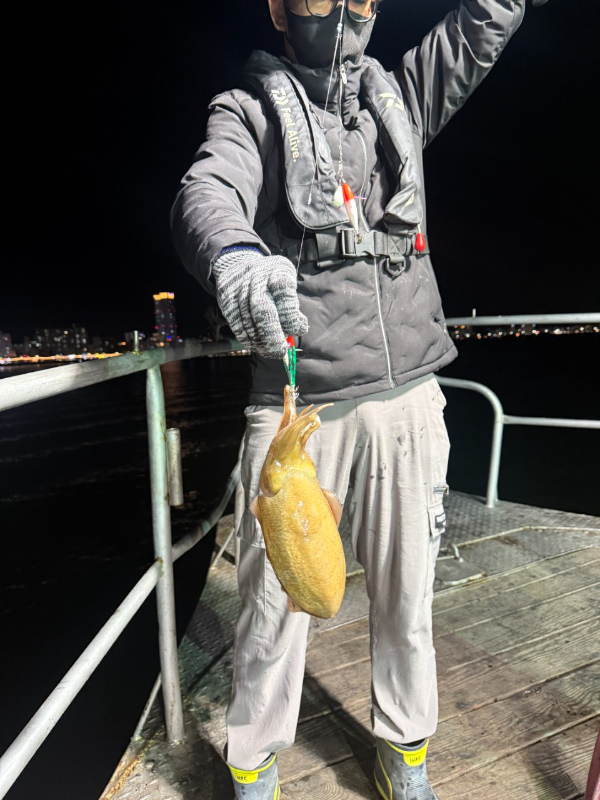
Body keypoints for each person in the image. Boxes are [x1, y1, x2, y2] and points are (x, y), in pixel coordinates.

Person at [171, 0, 548, 796]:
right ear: (277, 10)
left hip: (408, 395)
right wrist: (235, 255)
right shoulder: (247, 111)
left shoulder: (400, 97)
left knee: (407, 599)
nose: (341, 6)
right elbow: (206, 192)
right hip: (297, 412)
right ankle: (253, 762)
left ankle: (405, 752)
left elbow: (477, 30)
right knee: (271, 608)